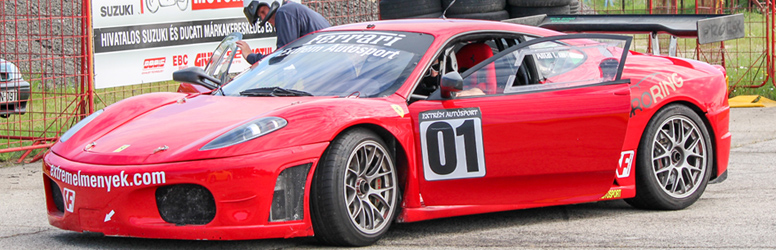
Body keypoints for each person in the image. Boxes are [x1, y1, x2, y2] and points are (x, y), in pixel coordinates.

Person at [239, 0, 331, 65]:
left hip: (325, 69)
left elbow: (282, 56)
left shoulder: (284, 12)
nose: (263, 18)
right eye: (260, 16)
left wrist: (250, 56)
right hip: (328, 66)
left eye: (263, 11)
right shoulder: (291, 8)